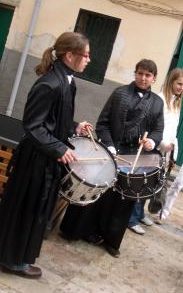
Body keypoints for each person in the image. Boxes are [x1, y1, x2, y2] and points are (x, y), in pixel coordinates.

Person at [0, 31, 92, 278]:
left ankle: (15, 256)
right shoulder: (49, 83)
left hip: (47, 158)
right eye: (85, 55)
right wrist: (59, 148)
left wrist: (74, 126)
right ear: (69, 55)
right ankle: (12, 260)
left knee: (35, 210)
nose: (88, 60)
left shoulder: (67, 82)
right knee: (27, 209)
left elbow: (53, 118)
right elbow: (33, 125)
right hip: (35, 161)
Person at [60, 59, 164, 257]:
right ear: (135, 73)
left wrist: (151, 141)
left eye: (147, 75)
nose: (143, 78)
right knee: (96, 192)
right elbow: (103, 123)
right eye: (140, 73)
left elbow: (158, 130)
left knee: (122, 200)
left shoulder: (157, 103)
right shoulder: (120, 93)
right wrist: (109, 146)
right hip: (110, 150)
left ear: (154, 78)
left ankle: (110, 239)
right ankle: (77, 231)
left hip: (134, 157)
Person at [155, 68, 183, 223]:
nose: (181, 87)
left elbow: (172, 128)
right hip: (157, 147)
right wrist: (162, 143)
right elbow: (158, 125)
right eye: (179, 83)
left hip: (168, 149)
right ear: (171, 81)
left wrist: (172, 146)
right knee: (148, 180)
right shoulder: (161, 99)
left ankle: (142, 214)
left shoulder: (176, 102)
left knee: (159, 183)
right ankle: (134, 217)